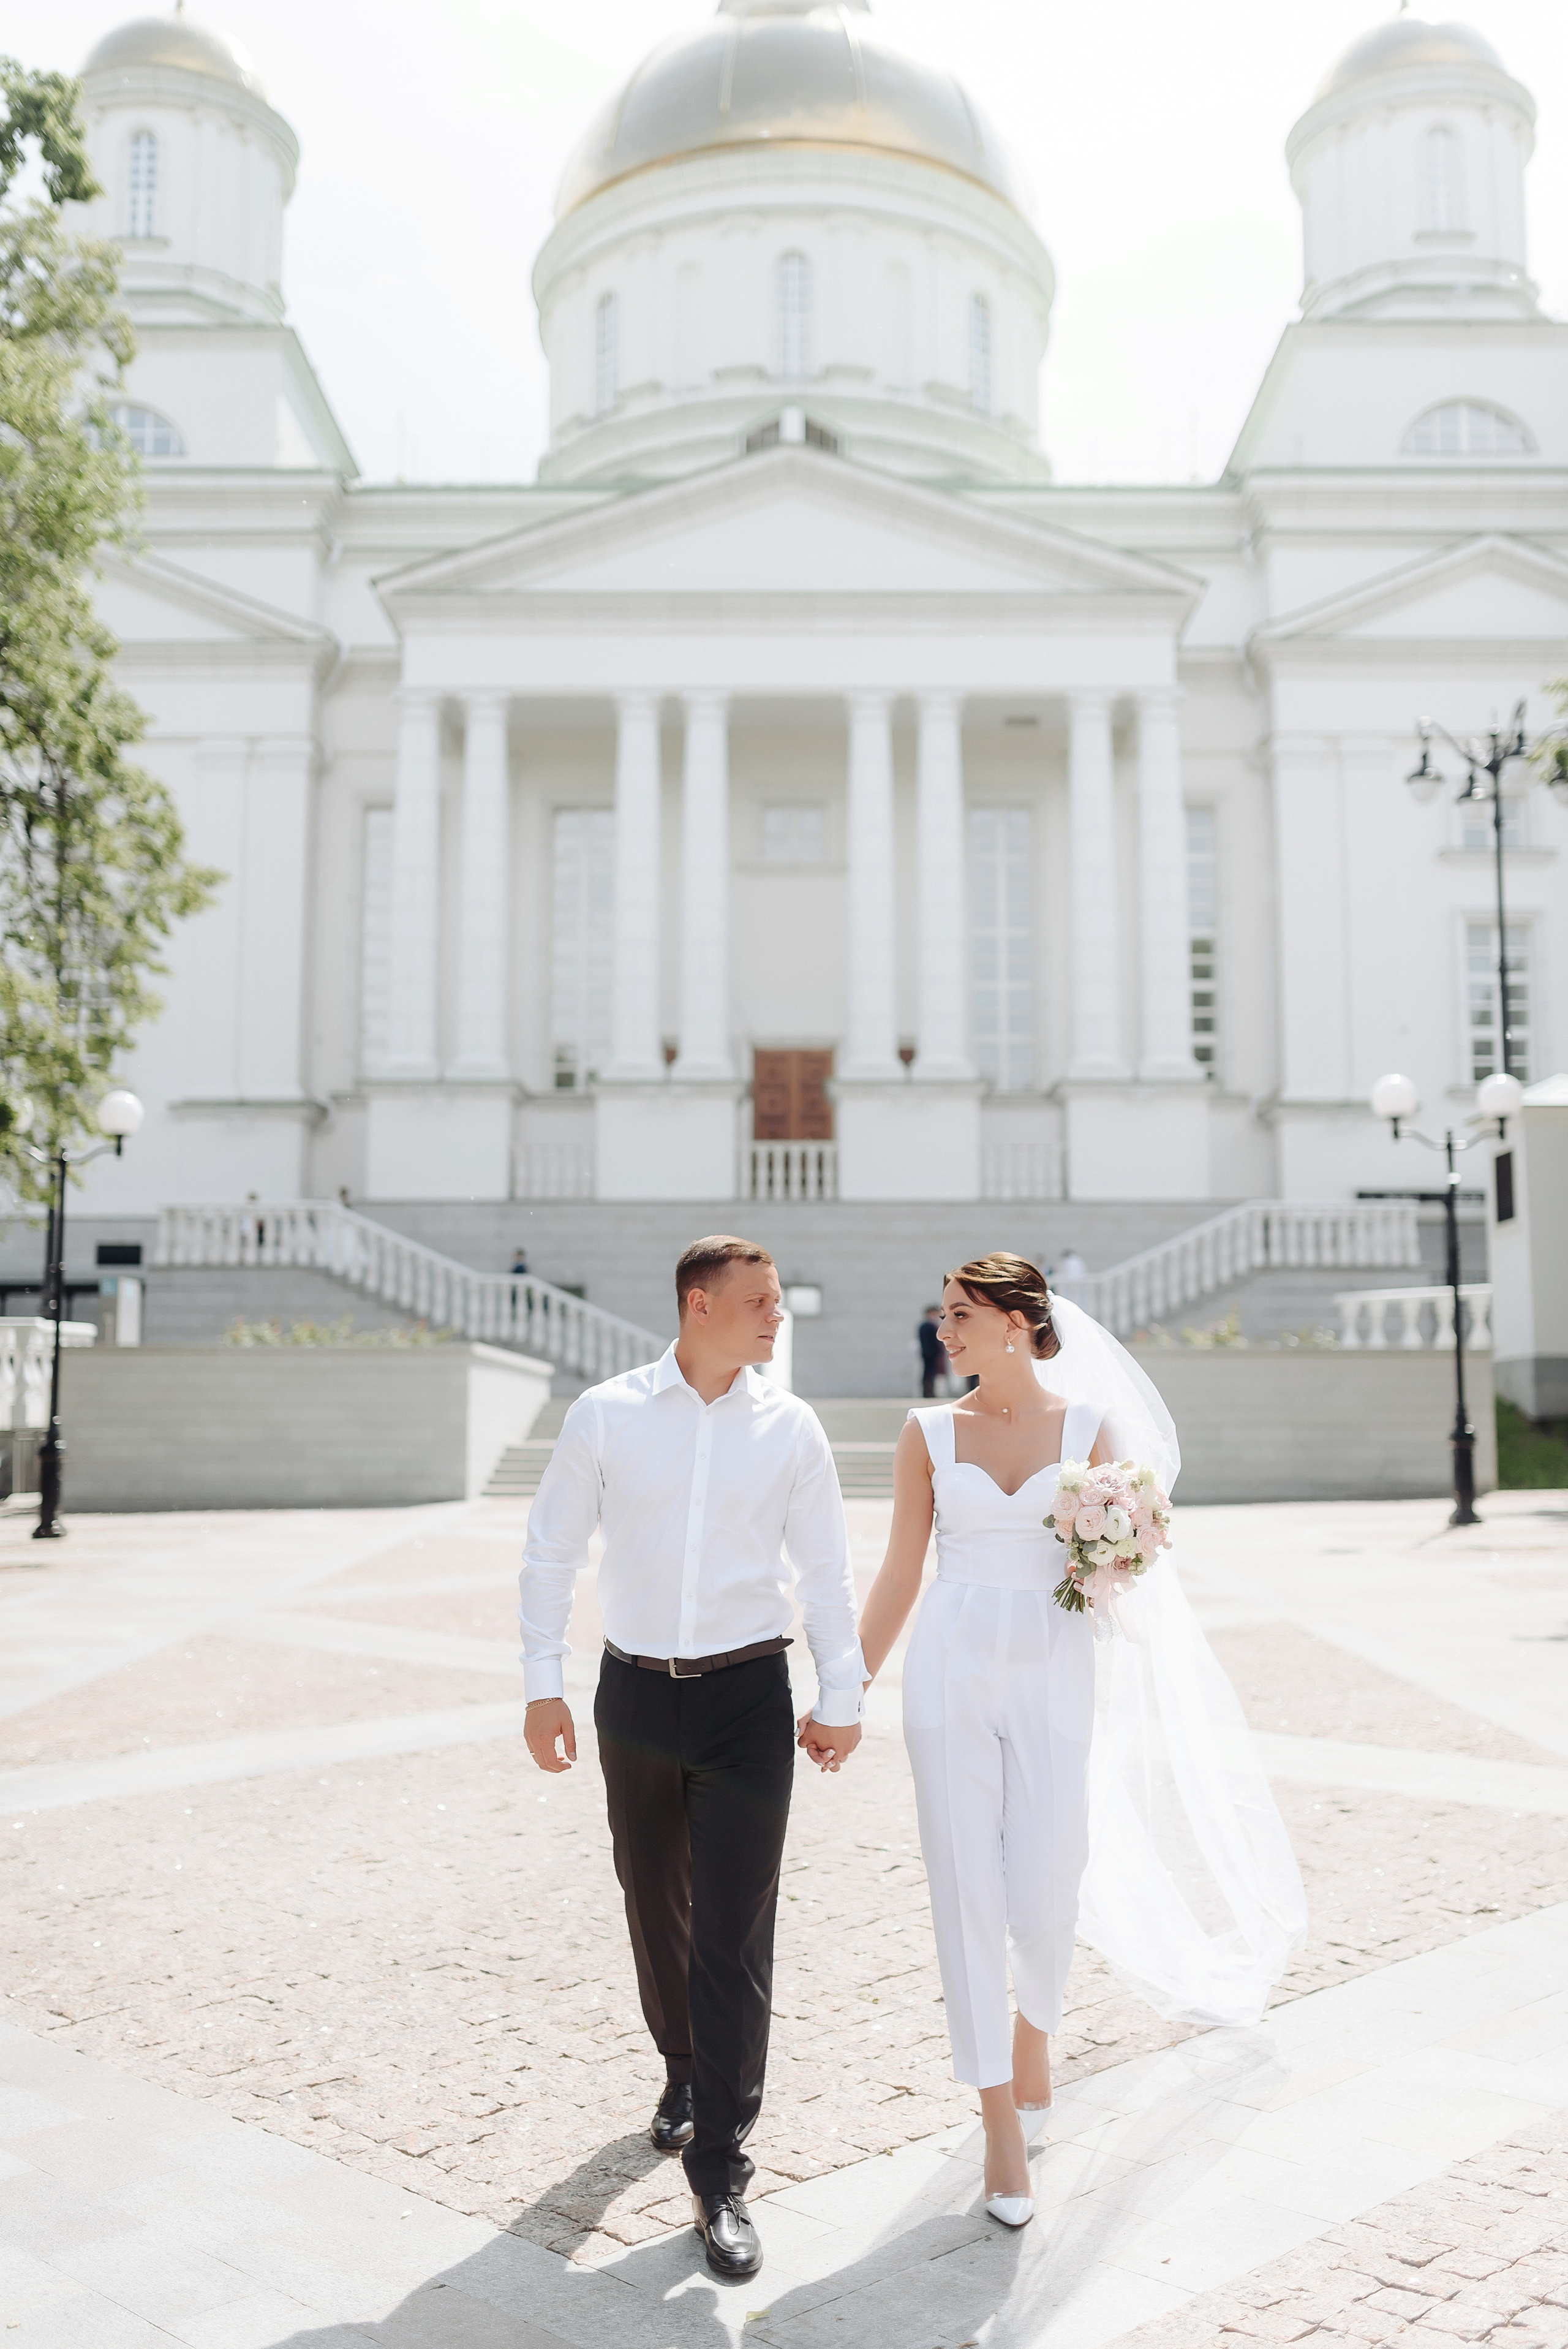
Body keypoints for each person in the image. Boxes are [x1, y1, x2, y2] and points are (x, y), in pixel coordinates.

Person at [849, 1252, 1306, 2231]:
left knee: (1050, 1883)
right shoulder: (927, 1431)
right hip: (950, 1665)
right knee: (965, 1885)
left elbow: (1132, 1564)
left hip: (1057, 1662)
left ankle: (1034, 2032)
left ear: (1017, 1321)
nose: (944, 1329)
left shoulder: (1095, 1430)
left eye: (960, 1313)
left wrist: (1117, 1549)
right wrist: (842, 1689)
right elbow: (897, 1573)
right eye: (942, 1315)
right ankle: (997, 2120)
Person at [521, 1236, 864, 2283]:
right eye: (759, 1300)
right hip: (633, 1694)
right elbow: (550, 1545)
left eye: (776, 1300)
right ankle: (681, 2062)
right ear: (698, 1303)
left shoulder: (790, 1425)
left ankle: (721, 2169)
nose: (776, 1316)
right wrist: (543, 1682)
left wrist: (840, 1692)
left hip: (748, 1699)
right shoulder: (607, 1412)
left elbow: (827, 1568)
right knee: (652, 1900)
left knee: (735, 1928)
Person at [916, 1304, 948, 1399]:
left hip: (934, 1354)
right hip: (929, 1355)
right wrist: (930, 1353)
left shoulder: (933, 1325)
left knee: (933, 1374)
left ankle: (931, 1392)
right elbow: (926, 1342)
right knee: (928, 1374)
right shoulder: (926, 1326)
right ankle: (927, 1392)